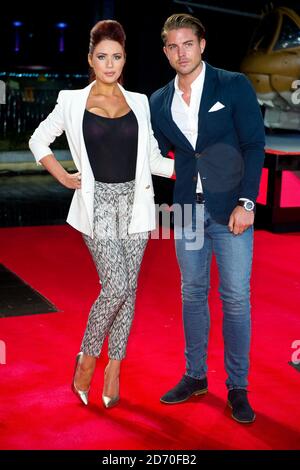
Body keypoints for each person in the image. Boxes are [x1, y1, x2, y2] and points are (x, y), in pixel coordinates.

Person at [29, 20, 174, 408]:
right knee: (116, 287)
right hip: (98, 206)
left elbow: (154, 160)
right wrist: (62, 175)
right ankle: (88, 357)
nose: (110, 64)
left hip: (136, 205)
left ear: (124, 59)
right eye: (102, 57)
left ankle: (115, 365)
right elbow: (38, 139)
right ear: (90, 60)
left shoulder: (139, 102)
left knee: (130, 290)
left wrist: (190, 168)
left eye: (117, 56)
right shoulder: (71, 100)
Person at [150, 13, 265, 423]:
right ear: (165, 51)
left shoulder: (232, 85)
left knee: (235, 298)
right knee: (192, 293)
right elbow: (155, 151)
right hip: (187, 211)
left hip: (231, 209)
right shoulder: (159, 100)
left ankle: (238, 387)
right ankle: (195, 375)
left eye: (188, 44)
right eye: (172, 46)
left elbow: (254, 145)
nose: (181, 52)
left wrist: (247, 202)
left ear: (202, 45)